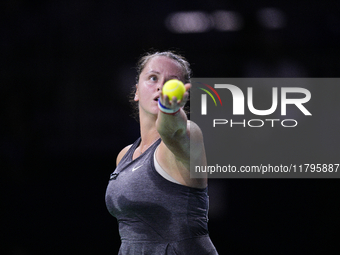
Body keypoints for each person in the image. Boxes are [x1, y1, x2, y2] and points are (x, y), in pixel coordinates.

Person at [105, 51, 218, 254]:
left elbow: (171, 131)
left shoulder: (190, 134)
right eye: (153, 78)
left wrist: (169, 111)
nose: (161, 86)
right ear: (136, 91)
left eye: (171, 82)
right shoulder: (124, 156)